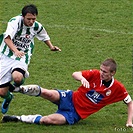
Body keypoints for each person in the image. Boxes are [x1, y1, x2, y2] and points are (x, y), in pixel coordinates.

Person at [2, 58, 133, 127]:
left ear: (112, 73)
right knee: (48, 93)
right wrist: (82, 78)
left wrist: (129, 122)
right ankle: (16, 89)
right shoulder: (94, 74)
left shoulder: (117, 88)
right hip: (70, 98)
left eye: (105, 72)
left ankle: (18, 118)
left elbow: (130, 103)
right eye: (101, 70)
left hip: (75, 114)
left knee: (47, 120)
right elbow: (75, 73)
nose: (101, 73)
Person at [0, 4, 61, 114]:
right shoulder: (15, 22)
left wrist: (51, 47)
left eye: (34, 19)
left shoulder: (37, 26)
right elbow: (7, 38)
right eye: (29, 19)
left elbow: (44, 36)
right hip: (5, 55)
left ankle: (17, 84)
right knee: (2, 92)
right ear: (23, 16)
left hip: (22, 56)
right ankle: (9, 98)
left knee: (17, 78)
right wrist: (15, 51)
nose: (31, 21)